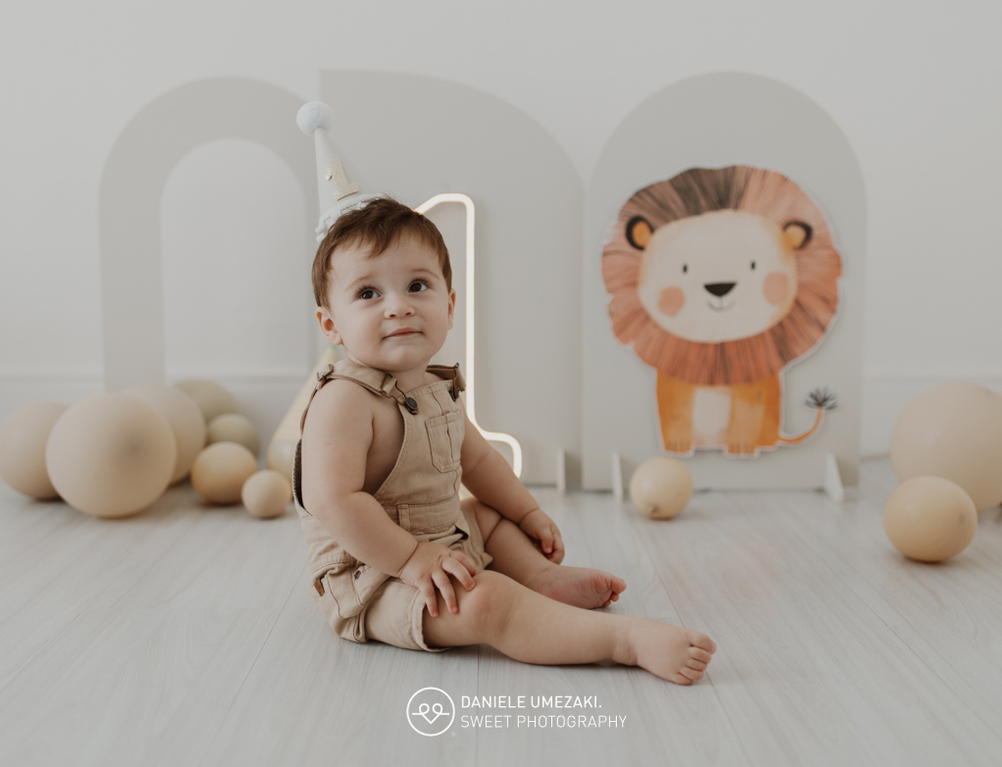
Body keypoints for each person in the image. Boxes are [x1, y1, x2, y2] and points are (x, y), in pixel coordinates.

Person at [293, 197, 715, 684]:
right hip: (376, 577)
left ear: (449, 305)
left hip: (440, 543)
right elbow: (333, 499)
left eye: (417, 285)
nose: (399, 305)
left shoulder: (435, 386)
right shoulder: (344, 400)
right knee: (487, 600)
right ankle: (622, 641)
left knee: (489, 516)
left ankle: (539, 580)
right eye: (368, 294)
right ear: (331, 324)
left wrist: (526, 512)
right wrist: (411, 559)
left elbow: (479, 460)